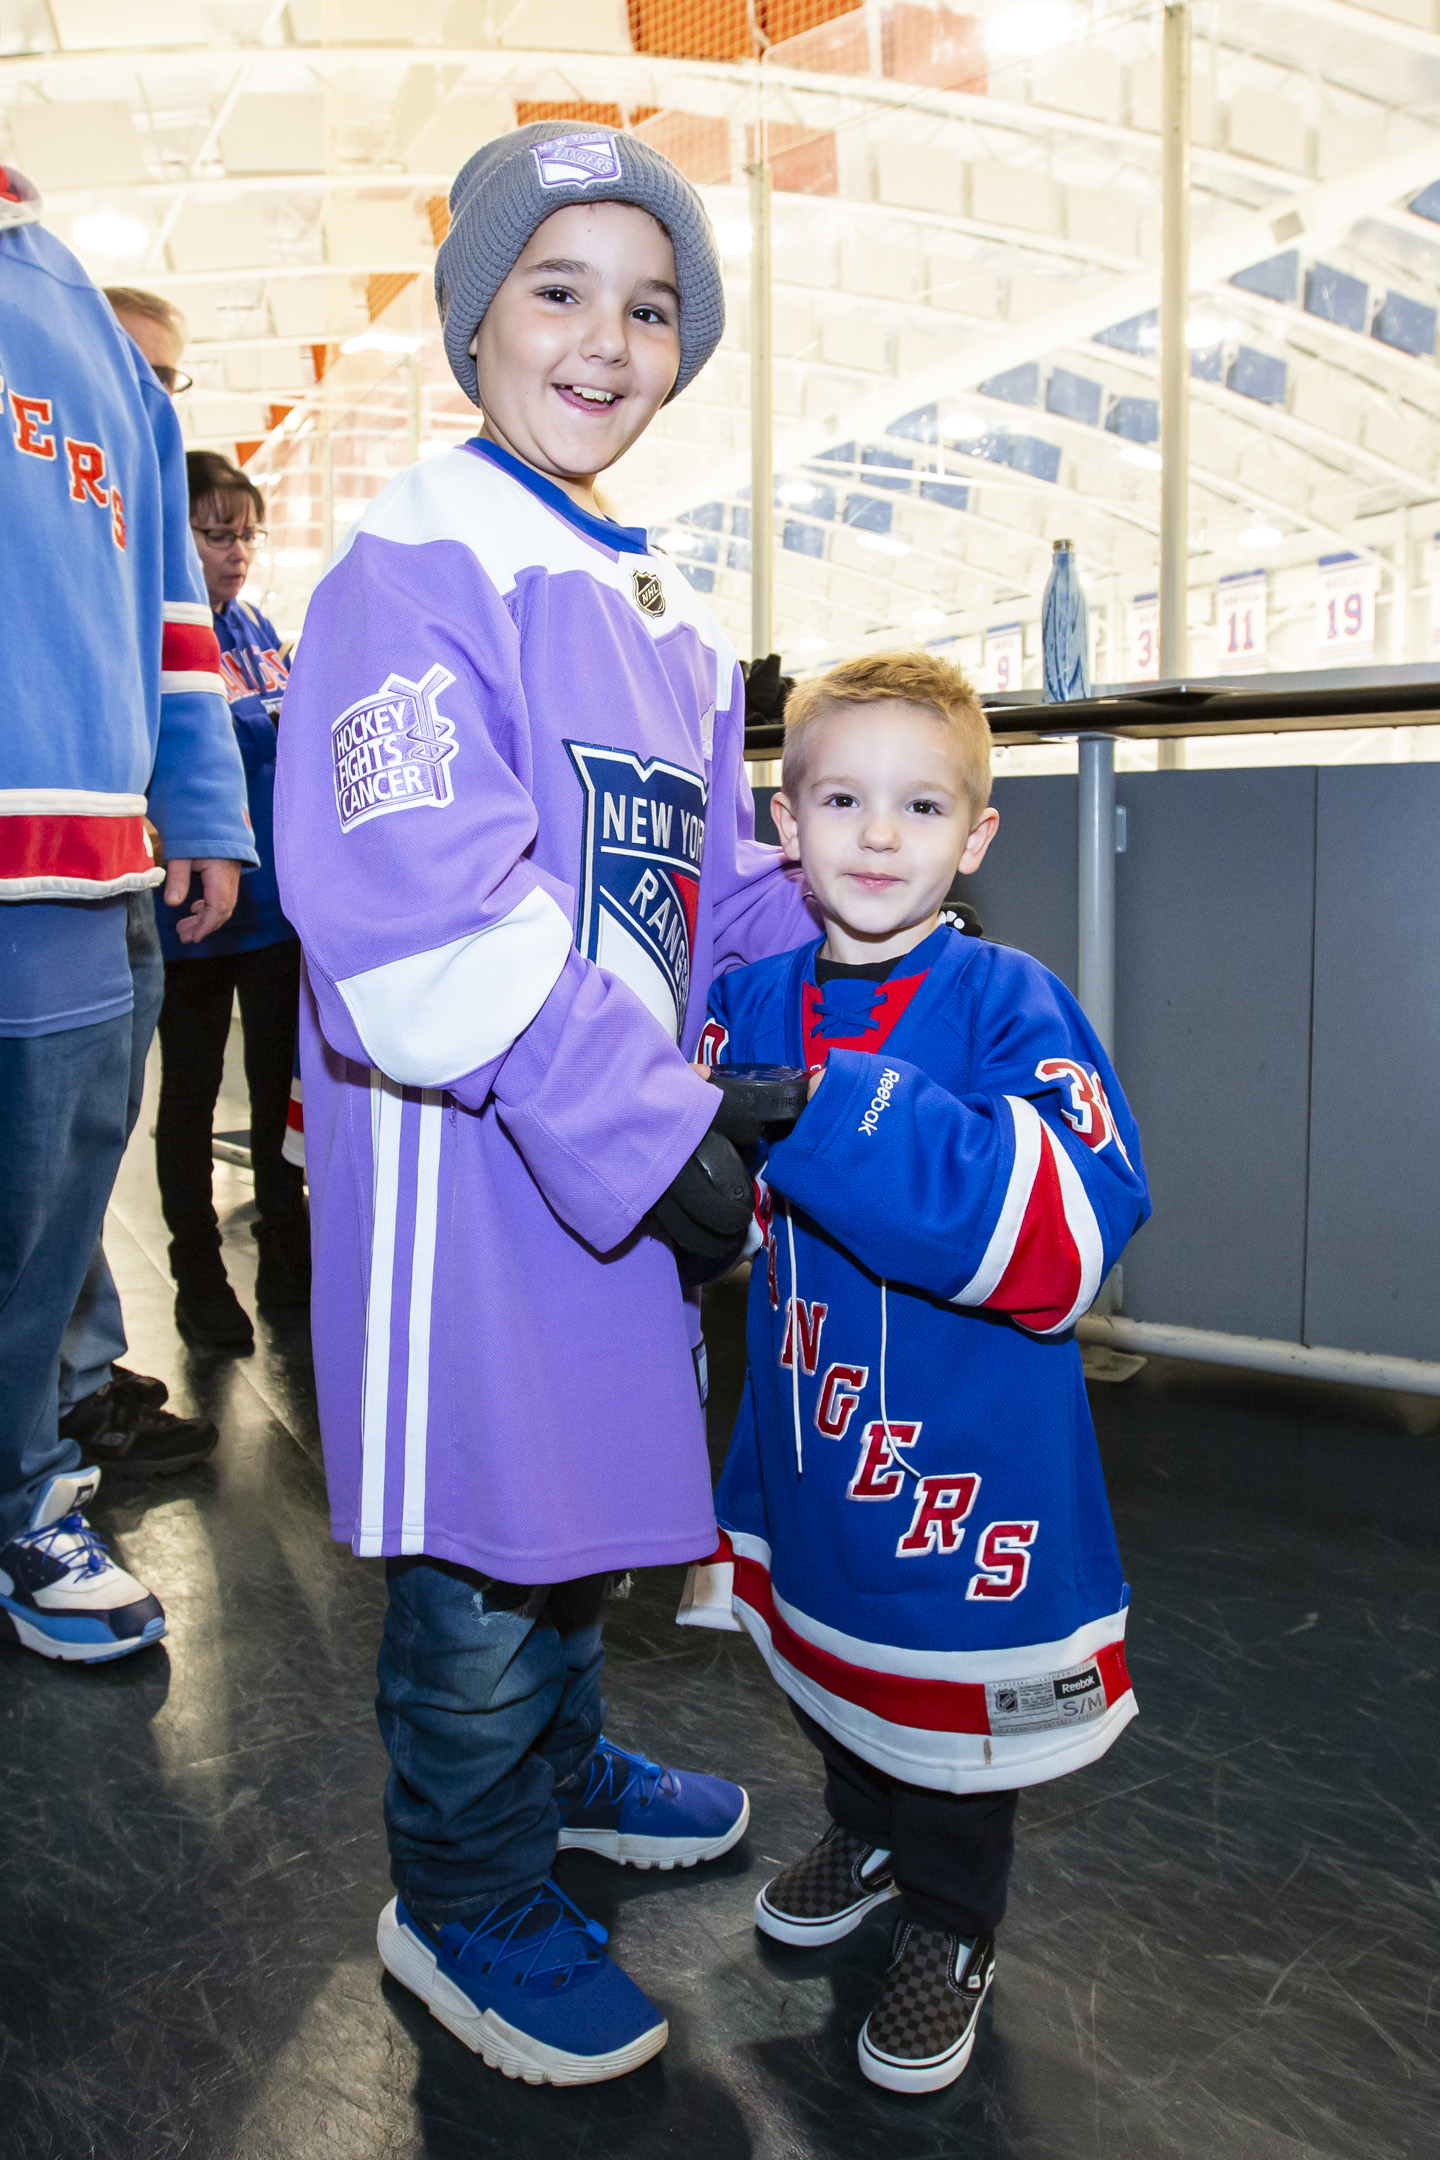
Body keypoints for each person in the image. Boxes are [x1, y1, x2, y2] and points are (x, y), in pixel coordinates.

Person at [273, 122, 816, 2087]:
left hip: (605, 1140)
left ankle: (564, 1774)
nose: (605, 340)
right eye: (557, 289)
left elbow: (705, 875)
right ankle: (467, 1893)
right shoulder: (414, 560)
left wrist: (847, 941)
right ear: (472, 319)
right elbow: (419, 905)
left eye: (650, 306)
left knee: (574, 1510)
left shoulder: (650, 596)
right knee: (488, 1551)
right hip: (473, 1180)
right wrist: (656, 1124)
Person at [690, 650, 1152, 2094]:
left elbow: (1071, 1231)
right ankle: (868, 1829)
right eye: (842, 799)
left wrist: (830, 1117)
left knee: (952, 1710)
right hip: (821, 1438)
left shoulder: (1012, 1004)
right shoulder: (753, 994)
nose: (878, 837)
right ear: (787, 818)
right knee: (838, 1667)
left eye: (919, 806)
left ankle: (952, 1918)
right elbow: (714, 1209)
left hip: (963, 1456)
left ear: (977, 835)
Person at [0, 165, 255, 1662]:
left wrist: (208, 807)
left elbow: (172, 607)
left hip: (72, 870)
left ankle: (26, 1489)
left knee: (40, 1230)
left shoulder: (90, 332)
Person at [56, 284, 220, 1476]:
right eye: (139, 376)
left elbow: (176, 660)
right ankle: (55, 1405)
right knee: (49, 1150)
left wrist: (203, 818)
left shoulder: (127, 517)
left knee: (84, 1144)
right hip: (45, 873)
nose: (156, 405)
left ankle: (73, 1372)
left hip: (123, 870)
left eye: (171, 383)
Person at [152, 451, 306, 1348]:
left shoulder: (254, 626)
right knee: (193, 1093)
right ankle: (198, 1275)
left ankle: (290, 1255)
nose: (235, 551)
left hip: (276, 911)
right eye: (216, 535)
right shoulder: (163, 641)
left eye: (246, 534)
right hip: (195, 921)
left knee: (280, 1085)